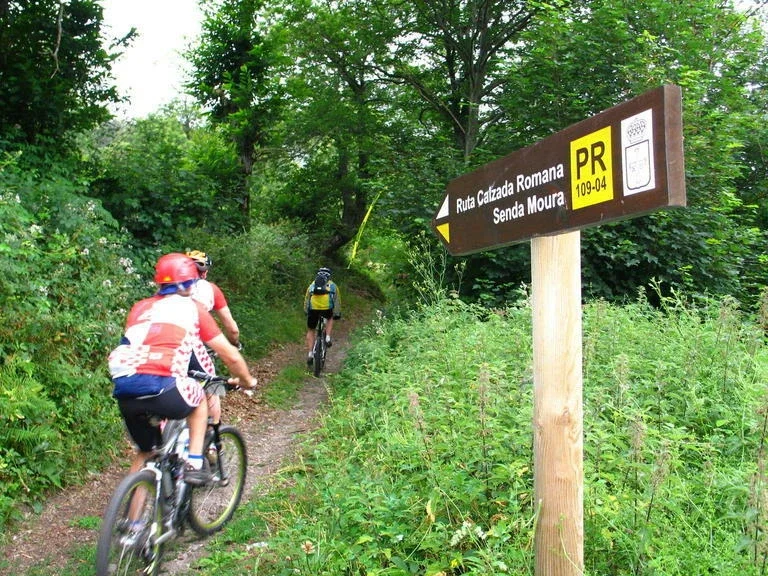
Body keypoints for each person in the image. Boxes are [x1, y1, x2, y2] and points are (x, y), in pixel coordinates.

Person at [108, 253, 257, 487]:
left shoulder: (139, 308)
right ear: (194, 280)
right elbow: (230, 350)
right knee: (203, 396)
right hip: (168, 378)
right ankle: (196, 460)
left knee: (146, 453)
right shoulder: (194, 307)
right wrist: (246, 380)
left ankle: (133, 521)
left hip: (125, 387)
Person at [185, 249, 242, 427]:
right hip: (193, 343)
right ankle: (212, 436)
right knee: (212, 386)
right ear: (205, 272)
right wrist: (235, 344)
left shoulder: (166, 289)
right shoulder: (210, 289)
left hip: (162, 345)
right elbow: (232, 328)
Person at [304, 266, 341, 365]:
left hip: (313, 309)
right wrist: (337, 313)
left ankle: (310, 354)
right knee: (330, 317)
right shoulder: (333, 285)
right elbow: (337, 301)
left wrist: (306, 311)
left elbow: (307, 299)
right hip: (327, 309)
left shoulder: (312, 285)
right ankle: (328, 337)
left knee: (311, 330)